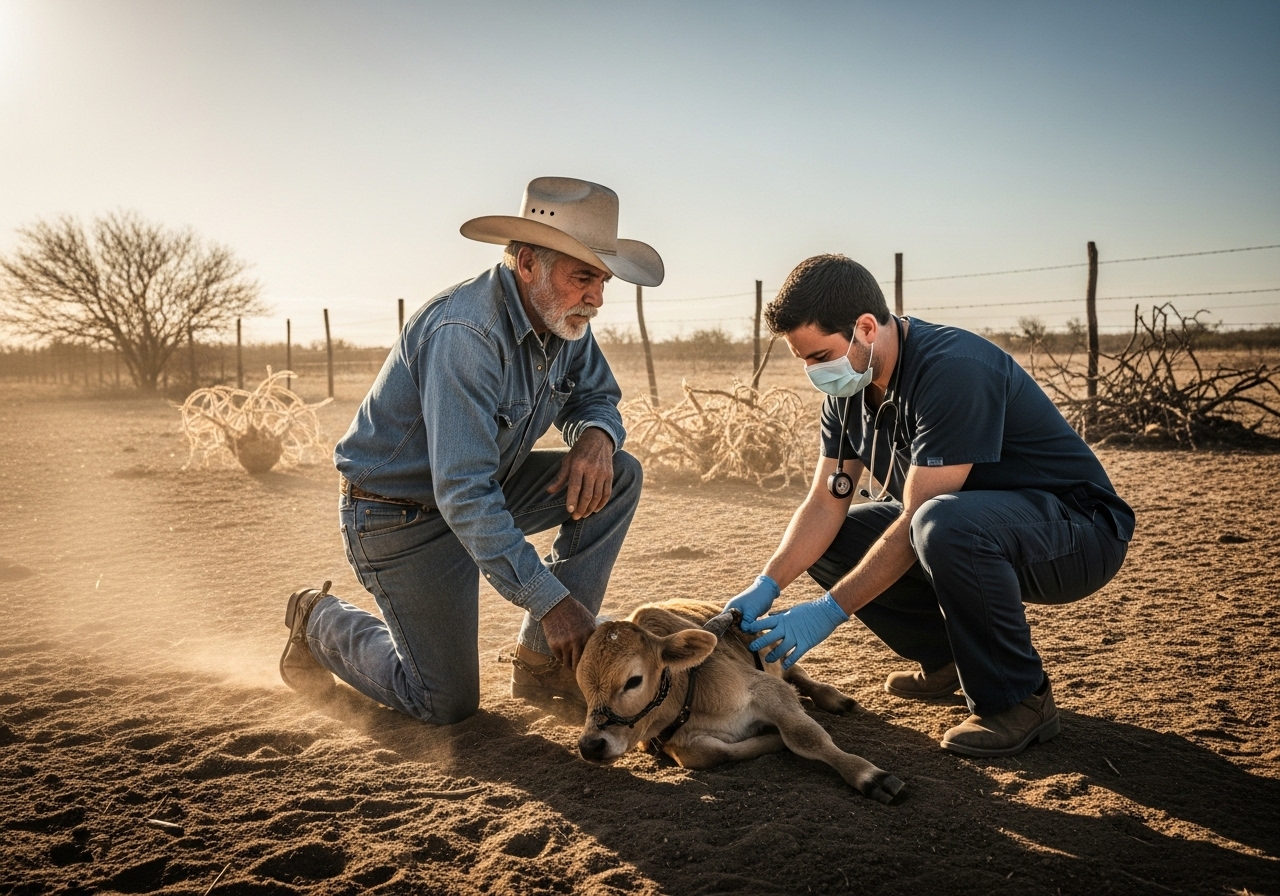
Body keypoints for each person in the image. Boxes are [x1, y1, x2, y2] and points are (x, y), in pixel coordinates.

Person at [279, 177, 663, 725]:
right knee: (445, 702)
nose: (597, 298)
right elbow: (462, 492)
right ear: (528, 262)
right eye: (584, 277)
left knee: (618, 474)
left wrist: (597, 438)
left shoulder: (562, 319)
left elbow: (597, 395)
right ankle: (316, 620)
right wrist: (553, 601)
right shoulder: (466, 334)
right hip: (398, 517)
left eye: (602, 280)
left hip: (484, 492)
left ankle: (544, 662)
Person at [726, 254, 1133, 757]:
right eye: (804, 360)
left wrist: (828, 613)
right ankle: (947, 661)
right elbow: (825, 503)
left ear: (866, 328)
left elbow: (921, 516)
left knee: (941, 522)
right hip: (975, 525)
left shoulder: (952, 369)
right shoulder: (849, 390)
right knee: (844, 536)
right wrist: (766, 584)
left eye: (819, 356)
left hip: (1077, 531)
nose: (814, 373)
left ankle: (1018, 700)